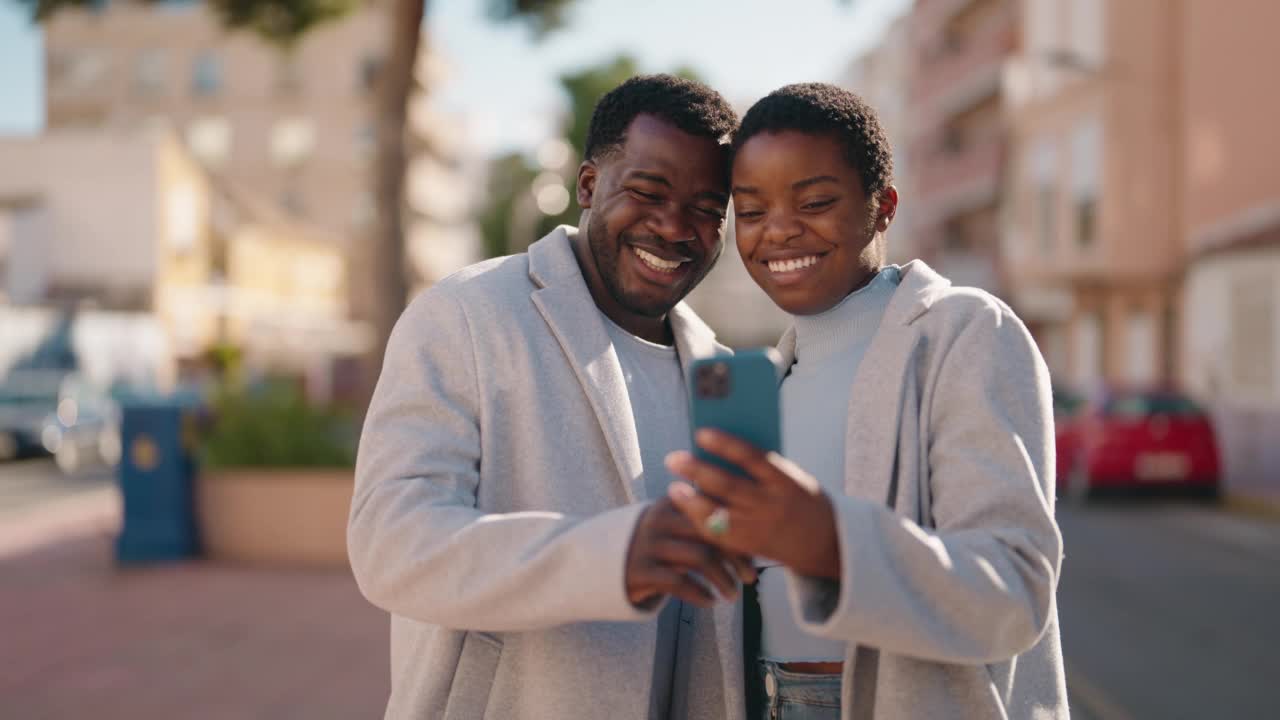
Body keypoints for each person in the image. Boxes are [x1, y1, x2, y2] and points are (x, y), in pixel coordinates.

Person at [349, 74, 757, 719]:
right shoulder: (466, 314)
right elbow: (391, 546)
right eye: (648, 192)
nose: (675, 226)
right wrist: (612, 556)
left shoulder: (722, 374)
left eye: (708, 209)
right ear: (589, 186)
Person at [665, 83, 1069, 719]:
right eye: (749, 210)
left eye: (816, 201)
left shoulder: (965, 334)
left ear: (883, 207)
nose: (779, 231)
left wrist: (830, 543)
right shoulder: (770, 380)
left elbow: (1014, 592)